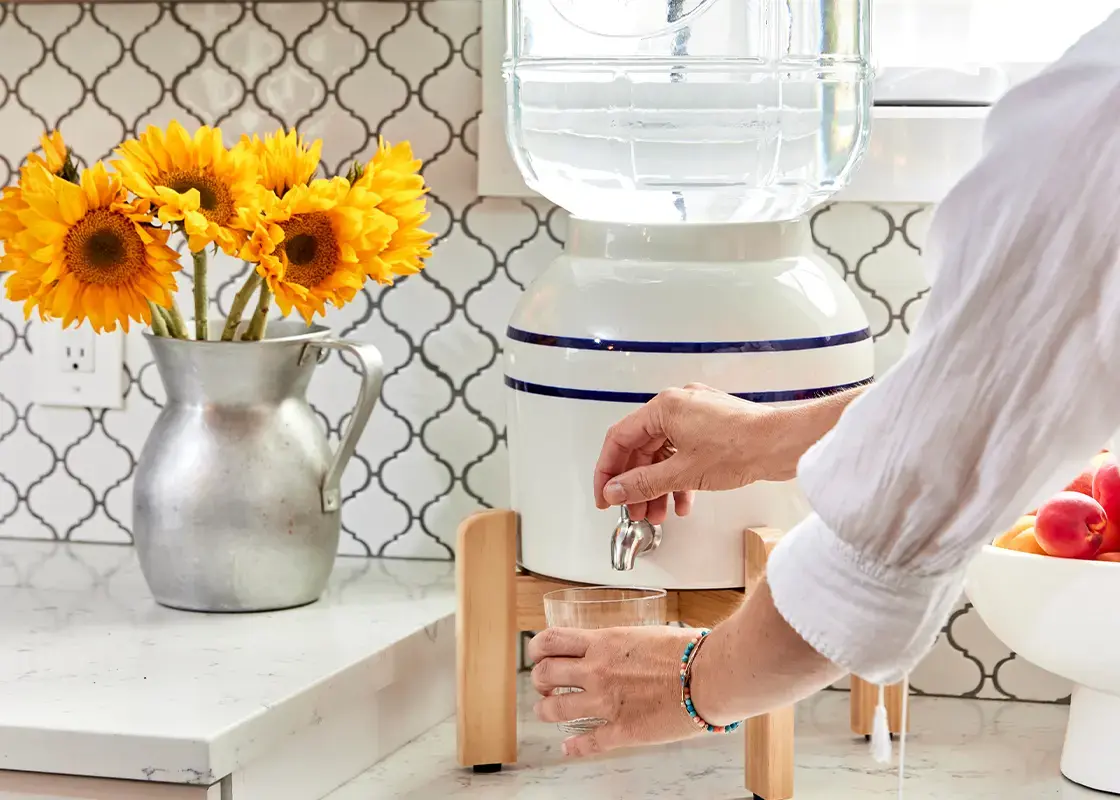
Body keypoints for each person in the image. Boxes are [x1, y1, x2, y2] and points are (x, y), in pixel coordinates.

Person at [528, 10, 1120, 758]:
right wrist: (767, 438)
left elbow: (940, 452)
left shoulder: (1097, 117)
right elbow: (997, 395)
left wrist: (698, 677)